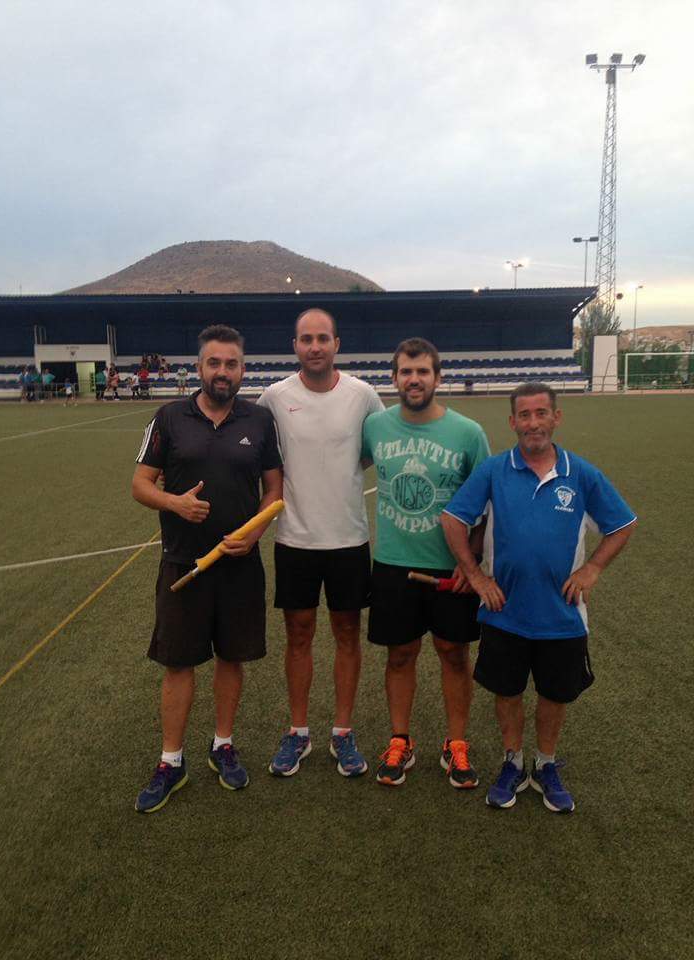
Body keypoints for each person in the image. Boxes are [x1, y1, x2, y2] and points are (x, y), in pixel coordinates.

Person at [441, 382, 636, 813]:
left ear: (556, 417)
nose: (533, 423)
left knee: (554, 695)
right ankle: (513, 762)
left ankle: (545, 764)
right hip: (504, 613)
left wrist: (593, 568)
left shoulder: (581, 473)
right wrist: (475, 576)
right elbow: (453, 519)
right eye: (524, 415)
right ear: (512, 422)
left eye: (540, 413)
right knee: (507, 692)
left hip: (562, 615)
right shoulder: (494, 470)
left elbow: (621, 524)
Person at [132, 324, 282, 813]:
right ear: (199, 369)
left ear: (243, 369)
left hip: (239, 567)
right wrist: (174, 503)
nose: (223, 372)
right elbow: (140, 484)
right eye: (214, 363)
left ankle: (222, 745)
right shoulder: (169, 417)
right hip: (183, 562)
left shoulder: (259, 421)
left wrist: (253, 533)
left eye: (231, 364)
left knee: (231, 658)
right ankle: (171, 761)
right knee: (178, 663)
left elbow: (274, 493)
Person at [257, 308, 383, 778]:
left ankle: (343, 734)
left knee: (348, 635)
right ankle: (299, 732)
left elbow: (372, 453)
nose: (314, 346)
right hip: (295, 539)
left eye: (322, 338)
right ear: (295, 346)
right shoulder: (273, 397)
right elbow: (263, 455)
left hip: (349, 539)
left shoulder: (363, 396)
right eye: (306, 339)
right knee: (299, 636)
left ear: (337, 344)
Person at [361, 338, 490, 788]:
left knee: (454, 654)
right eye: (405, 371)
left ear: (438, 377)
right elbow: (344, 467)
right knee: (400, 655)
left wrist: (470, 561)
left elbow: (485, 504)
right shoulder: (375, 426)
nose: (413, 379)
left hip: (449, 568)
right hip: (394, 564)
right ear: (393, 378)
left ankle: (456, 745)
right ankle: (400, 741)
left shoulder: (468, 433)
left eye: (422, 371)